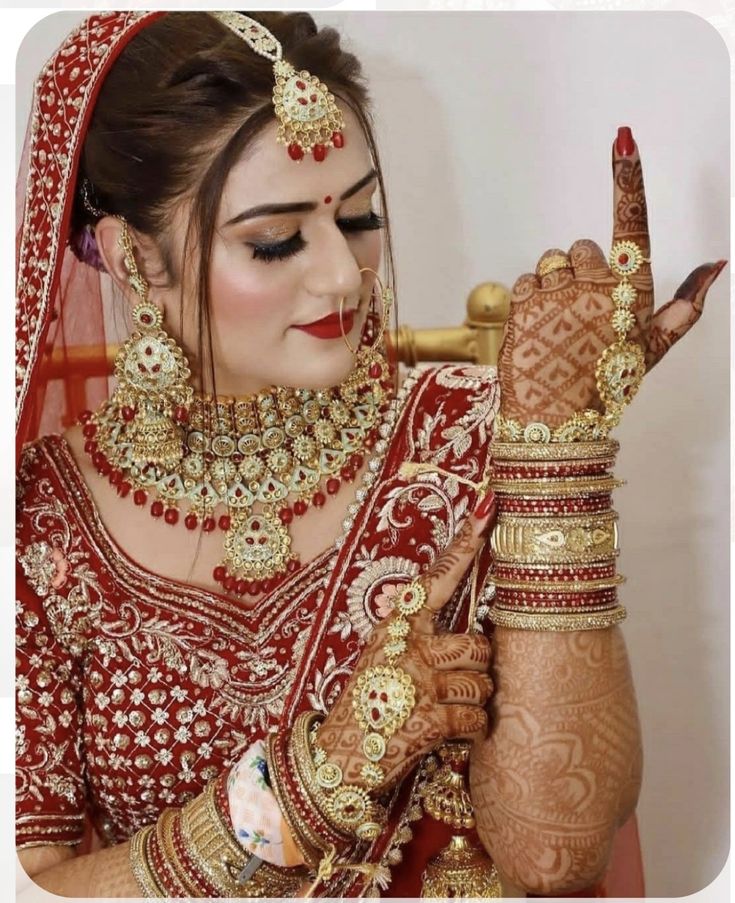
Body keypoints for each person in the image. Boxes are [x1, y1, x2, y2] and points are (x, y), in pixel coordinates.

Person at [15, 10, 725, 899]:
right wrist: (321, 775)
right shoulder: (40, 525)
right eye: (273, 239)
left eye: (358, 218)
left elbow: (558, 855)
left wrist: (559, 451)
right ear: (134, 258)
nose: (345, 276)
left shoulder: (475, 438)